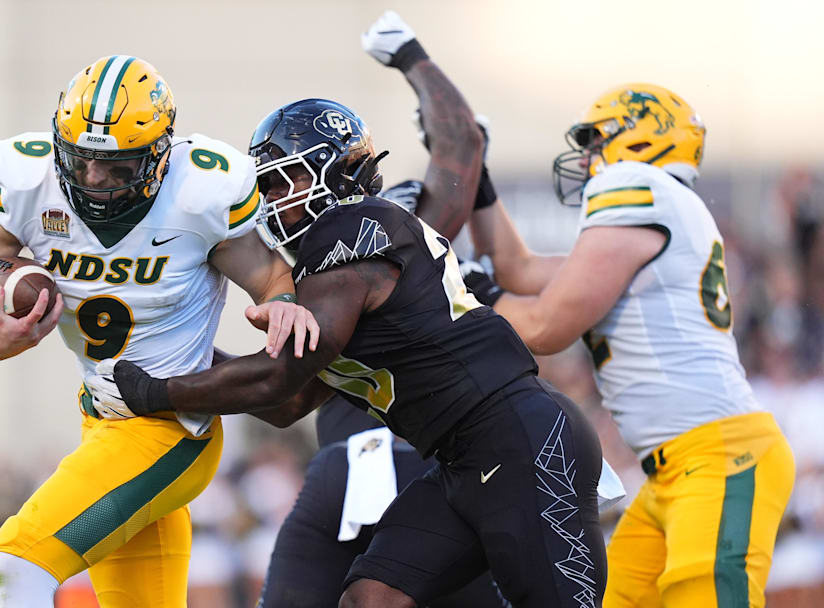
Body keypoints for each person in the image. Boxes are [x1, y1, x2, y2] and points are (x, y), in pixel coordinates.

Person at [89, 89, 609, 606]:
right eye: (263, 186)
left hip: (521, 442)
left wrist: (157, 390)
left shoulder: (354, 231)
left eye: (279, 181)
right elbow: (286, 405)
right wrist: (172, 356)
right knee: (371, 598)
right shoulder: (328, 270)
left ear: (334, 171)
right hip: (461, 457)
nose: (269, 200)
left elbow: (279, 375)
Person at [0, 55, 317, 607]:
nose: (95, 180)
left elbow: (270, 275)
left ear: (158, 156)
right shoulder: (33, 183)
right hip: (100, 421)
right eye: (81, 163)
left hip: (172, 430)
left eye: (118, 167)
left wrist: (284, 302)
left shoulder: (199, 192)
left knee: (20, 557)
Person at [462, 83, 796, 607]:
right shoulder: (657, 215)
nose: (589, 157)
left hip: (720, 455)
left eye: (598, 141)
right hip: (672, 470)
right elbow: (517, 269)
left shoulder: (639, 186)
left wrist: (466, 294)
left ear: (642, 143)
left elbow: (547, 326)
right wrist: (477, 181)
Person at [255, 12, 510, 607]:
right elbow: (461, 143)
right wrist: (410, 54)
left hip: (345, 464)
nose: (277, 200)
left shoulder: (321, 252)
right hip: (430, 468)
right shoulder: (405, 238)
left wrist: (171, 379)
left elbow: (283, 398)